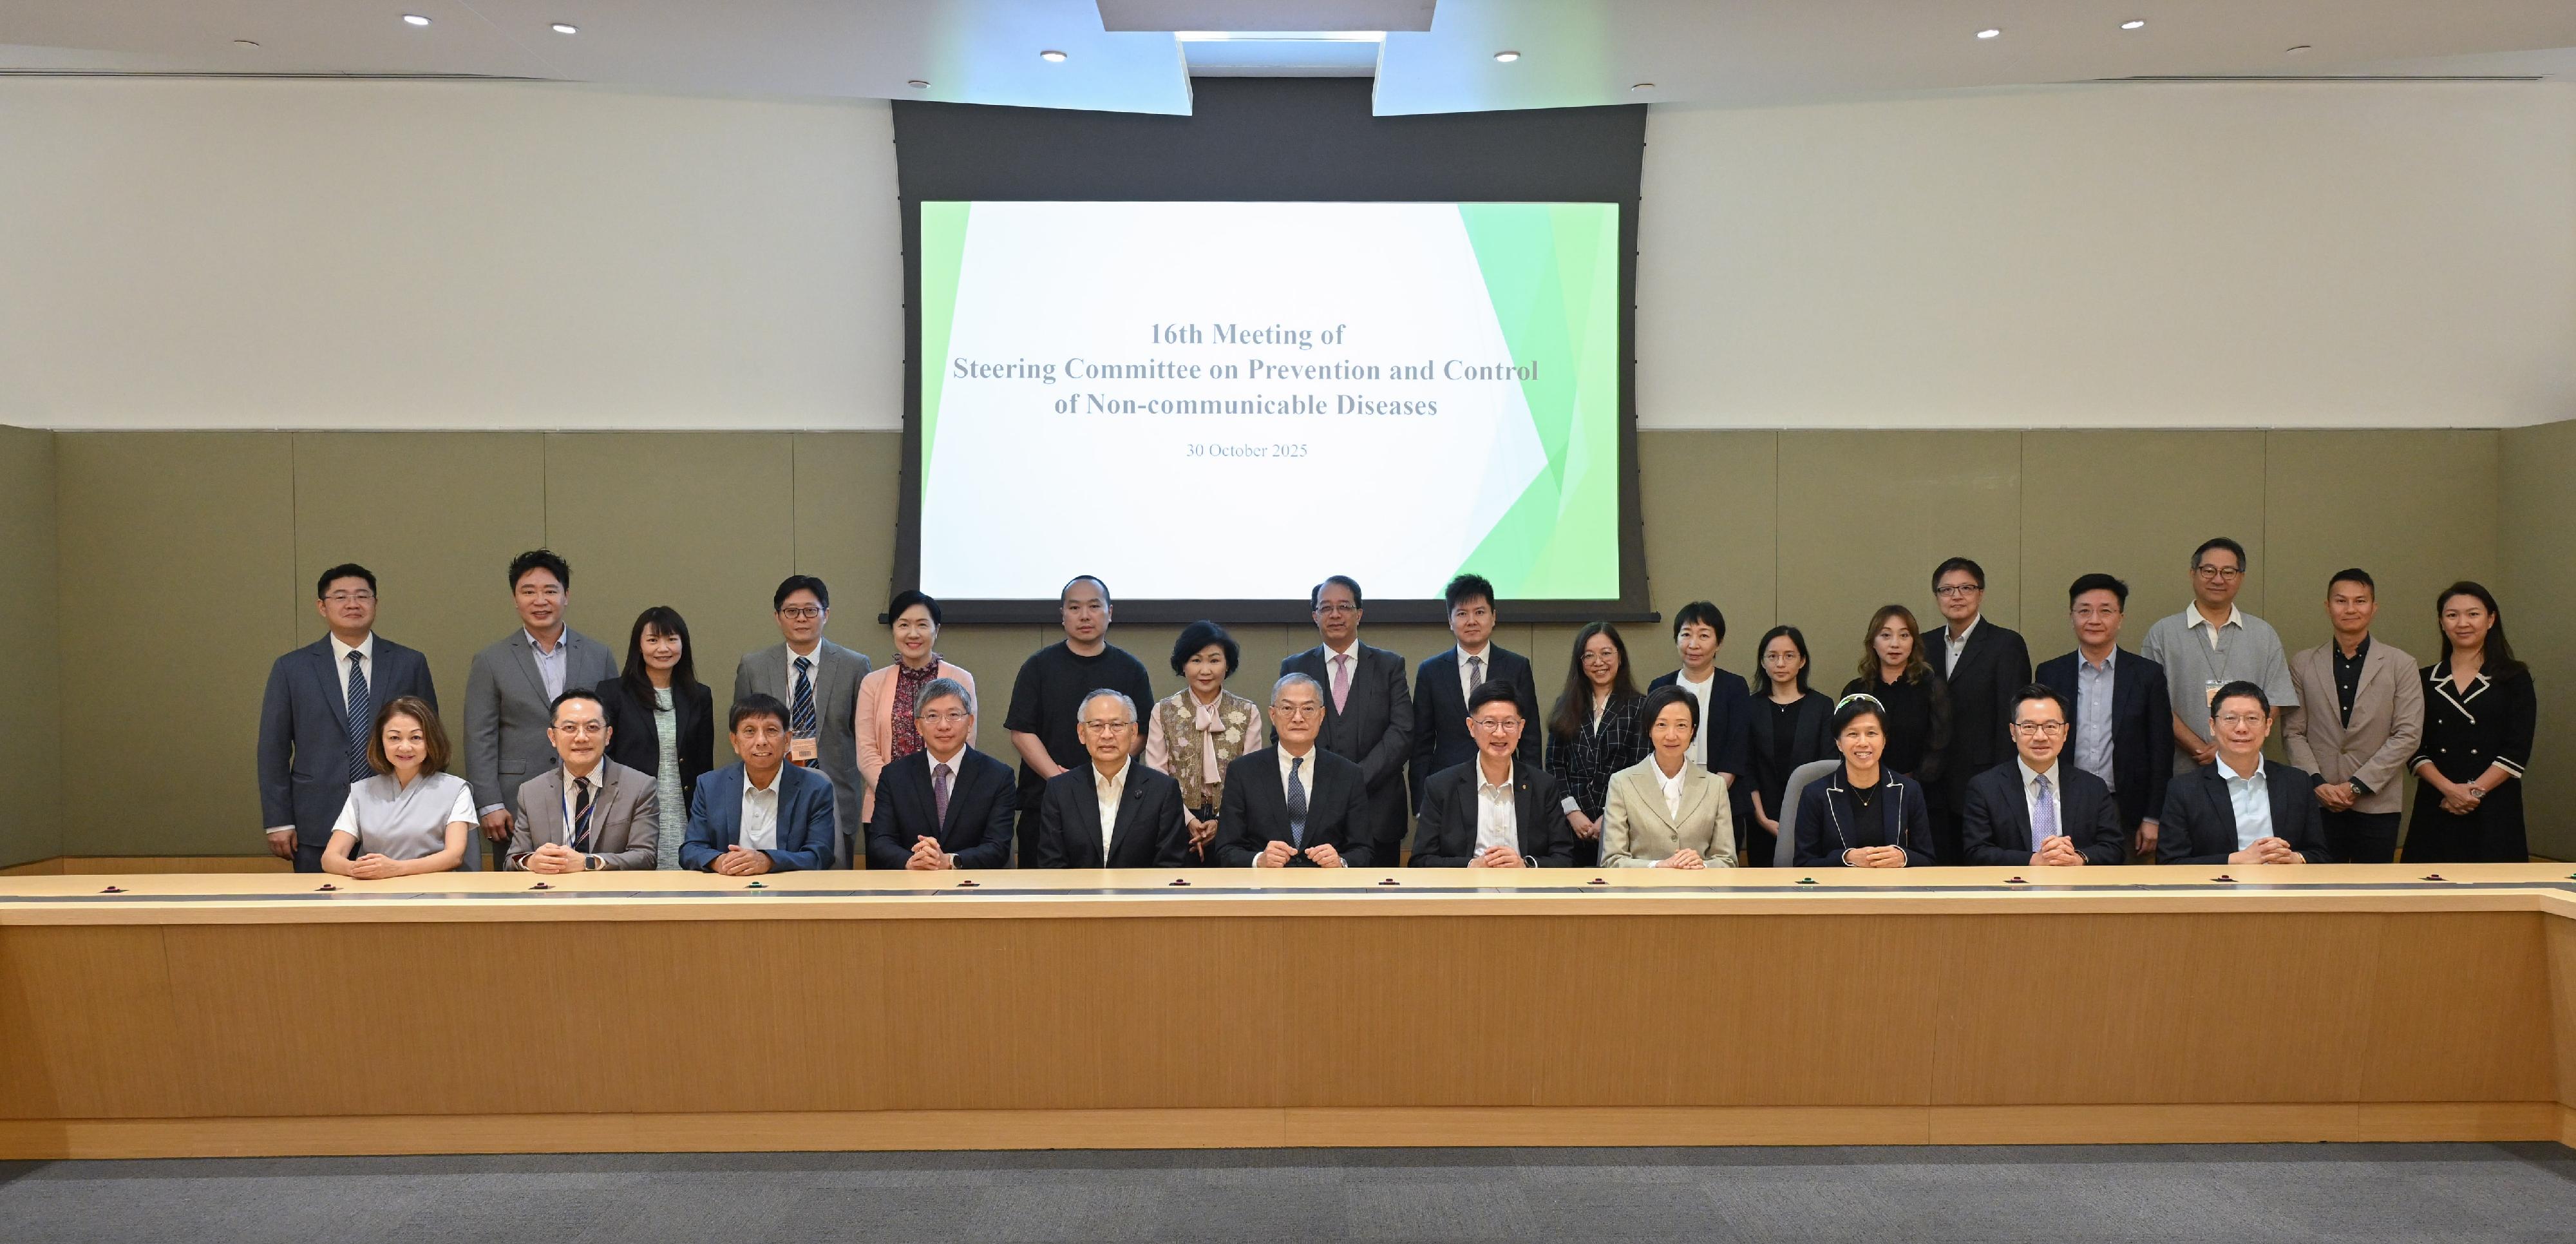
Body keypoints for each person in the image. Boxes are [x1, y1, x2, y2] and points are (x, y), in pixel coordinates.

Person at [257, 564, 439, 872]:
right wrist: (279, 820)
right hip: (316, 820)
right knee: (320, 912)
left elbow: (431, 742)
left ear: (375, 604)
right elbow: (272, 749)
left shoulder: (409, 663)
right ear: (322, 606)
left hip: (397, 819)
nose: (352, 604)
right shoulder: (292, 668)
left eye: (362, 596)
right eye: (340, 596)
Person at [464, 550, 618, 872]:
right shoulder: (491, 660)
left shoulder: (597, 654)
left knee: (590, 879)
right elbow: (480, 736)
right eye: (528, 591)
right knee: (522, 886)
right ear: (515, 599)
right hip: (515, 799)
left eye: (550, 590)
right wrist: (489, 803)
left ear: (566, 596)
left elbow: (610, 727)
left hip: (590, 792)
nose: (540, 600)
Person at [1005, 575, 1156, 866]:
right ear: (1062, 615)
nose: (1085, 615)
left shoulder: (1131, 669)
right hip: (1047, 801)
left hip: (1118, 799)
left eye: (1094, 606)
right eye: (1074, 608)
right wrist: (1061, 781)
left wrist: (1107, 771)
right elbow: (1022, 731)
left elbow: (1142, 732)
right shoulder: (1037, 667)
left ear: (1110, 613)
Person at [2282, 570, 2424, 865]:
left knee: (2373, 894)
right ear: (2327, 606)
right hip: (2318, 800)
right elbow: (2293, 731)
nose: (2350, 609)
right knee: (2316, 892)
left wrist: (2357, 785)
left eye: (2360, 601)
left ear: (2374, 607)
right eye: (2341, 601)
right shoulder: (2304, 662)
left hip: (2377, 801)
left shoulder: (2401, 664)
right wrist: (2318, 783)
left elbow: (2408, 734)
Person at [732, 575, 871, 868]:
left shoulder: (855, 665)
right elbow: (742, 728)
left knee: (835, 885)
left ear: (826, 614)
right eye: (791, 611)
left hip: (835, 793)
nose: (801, 619)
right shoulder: (754, 665)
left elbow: (863, 734)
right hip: (769, 792)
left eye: (811, 610)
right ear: (777, 617)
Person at [2036, 574, 2175, 862]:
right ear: (2071, 616)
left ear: (2121, 618)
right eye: (2084, 610)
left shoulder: (2147, 675)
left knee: (2122, 888)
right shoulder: (2051, 672)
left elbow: (2161, 750)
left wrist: (2153, 816)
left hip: (2126, 806)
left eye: (2106, 611)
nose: (2094, 619)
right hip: (2064, 798)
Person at [1281, 576, 1414, 867]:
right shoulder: (1295, 667)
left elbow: (1401, 733)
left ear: (1359, 614)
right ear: (1315, 616)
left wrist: (1352, 782)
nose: (1336, 614)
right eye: (1326, 608)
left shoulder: (1389, 665)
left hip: (1378, 811)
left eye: (1344, 606)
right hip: (1311, 811)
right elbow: (1285, 732)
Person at [2140, 538, 2298, 776]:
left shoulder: (2263, 634)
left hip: (2246, 769)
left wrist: (2229, 747)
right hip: (2180, 771)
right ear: (2193, 573)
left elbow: (2274, 700)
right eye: (2209, 571)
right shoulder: (2162, 633)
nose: (2218, 579)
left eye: (2228, 572)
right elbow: (2154, 704)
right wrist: (2200, 748)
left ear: (2241, 577)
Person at [2406, 582, 2537, 863]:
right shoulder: (2423, 679)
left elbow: (2517, 749)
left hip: (2495, 805)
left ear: (2491, 619)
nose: (2463, 623)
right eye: (2452, 615)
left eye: (2473, 614)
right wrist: (2450, 791)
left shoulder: (2514, 678)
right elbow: (2412, 744)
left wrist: (2473, 793)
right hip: (2437, 802)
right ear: (2441, 622)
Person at [1926, 558, 2031, 865]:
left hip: (1984, 778)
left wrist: (2004, 781)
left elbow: (2012, 718)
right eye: (1947, 590)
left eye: (1966, 588)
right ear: (1937, 597)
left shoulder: (2006, 644)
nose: (1956, 596)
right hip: (1933, 782)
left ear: (1981, 594)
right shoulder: (1924, 644)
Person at [2158, 681, 2330, 865]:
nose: (2241, 728)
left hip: (2284, 889)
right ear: (2213, 726)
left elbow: (2320, 855)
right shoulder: (2184, 789)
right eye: (2230, 718)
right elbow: (2170, 864)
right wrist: (2236, 860)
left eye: (2252, 719)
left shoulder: (2297, 782)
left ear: (2267, 726)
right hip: (2218, 891)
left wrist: (2295, 858)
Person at [596, 606, 714, 870]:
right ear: (638, 646)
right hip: (630, 810)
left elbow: (704, 763)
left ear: (683, 644)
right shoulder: (613, 693)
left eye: (671, 639)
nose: (663, 648)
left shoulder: (699, 695)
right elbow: (603, 760)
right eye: (653, 640)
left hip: (684, 810)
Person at [1410, 573, 1540, 811]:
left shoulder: (1517, 666)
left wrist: (1532, 795)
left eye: (1480, 612)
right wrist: (1421, 803)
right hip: (1448, 789)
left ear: (1494, 617)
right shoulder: (1431, 671)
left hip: (1507, 786)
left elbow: (1530, 738)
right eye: (1462, 613)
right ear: (1450, 621)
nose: (1472, 621)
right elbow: (1421, 744)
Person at [1412, 682, 1578, 867]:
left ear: (1521, 727)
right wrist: (1472, 866)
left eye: (1509, 723)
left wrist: (1525, 866)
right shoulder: (1441, 786)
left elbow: (1564, 858)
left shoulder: (1543, 786)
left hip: (1526, 892)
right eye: (1489, 723)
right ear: (1472, 727)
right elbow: (1421, 861)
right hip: (1465, 892)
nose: (1500, 733)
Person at [1217, 675, 1373, 868]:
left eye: (1308, 709)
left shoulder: (1348, 774)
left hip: (1326, 889)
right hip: (1265, 890)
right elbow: (1226, 850)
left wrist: (1340, 862)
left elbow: (1364, 851)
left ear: (1322, 715)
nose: (1298, 718)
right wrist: (1259, 860)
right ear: (1273, 715)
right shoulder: (1243, 772)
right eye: (1288, 708)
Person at [1958, 685, 2124, 866]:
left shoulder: (2093, 787)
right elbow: (1976, 852)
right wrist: (2034, 860)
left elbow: (2114, 848)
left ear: (2065, 732)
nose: (2040, 736)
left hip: (2077, 888)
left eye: (2050, 727)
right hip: (2011, 889)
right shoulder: (1985, 788)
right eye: (2029, 727)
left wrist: (2077, 858)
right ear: (2013, 732)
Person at [1143, 621, 1264, 863]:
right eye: (1196, 660)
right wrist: (1188, 821)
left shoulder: (1247, 711)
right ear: (1183, 665)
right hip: (1174, 818)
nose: (1205, 670)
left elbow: (1251, 777)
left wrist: (1220, 822)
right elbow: (1157, 774)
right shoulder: (1164, 711)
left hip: (1234, 820)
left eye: (1214, 660)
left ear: (1227, 664)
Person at [866, 678, 1017, 870]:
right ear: (919, 726)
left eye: (953, 715)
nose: (944, 726)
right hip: (911, 887)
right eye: (932, 716)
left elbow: (997, 846)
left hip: (973, 888)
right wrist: (912, 861)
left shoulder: (998, 777)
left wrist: (949, 861)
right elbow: (880, 841)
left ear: (970, 722)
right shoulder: (894, 776)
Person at [855, 589, 974, 829]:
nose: (913, 634)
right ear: (893, 630)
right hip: (886, 807)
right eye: (903, 625)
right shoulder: (873, 683)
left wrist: (929, 798)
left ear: (936, 630)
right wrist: (898, 794)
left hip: (945, 805)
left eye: (922, 625)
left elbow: (966, 742)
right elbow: (866, 751)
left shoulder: (961, 678)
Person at [681, 694, 837, 874]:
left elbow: (820, 854)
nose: (761, 741)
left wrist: (769, 861)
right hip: (728, 890)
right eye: (749, 731)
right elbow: (691, 849)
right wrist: (719, 861)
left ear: (787, 740)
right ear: (735, 741)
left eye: (771, 730)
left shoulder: (816, 788)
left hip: (791, 892)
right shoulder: (710, 786)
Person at [321, 696, 474, 879]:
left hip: (433, 892)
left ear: (431, 741)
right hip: (373, 893)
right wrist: (360, 870)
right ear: (381, 741)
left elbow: (454, 856)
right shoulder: (362, 791)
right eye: (394, 738)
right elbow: (330, 858)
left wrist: (397, 869)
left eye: (416, 737)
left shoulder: (456, 789)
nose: (405, 747)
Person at [506, 689, 658, 872]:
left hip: (613, 895)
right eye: (569, 728)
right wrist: (530, 862)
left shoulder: (639, 787)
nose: (581, 737)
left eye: (592, 728)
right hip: (552, 894)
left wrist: (588, 862)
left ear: (608, 735)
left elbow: (646, 857)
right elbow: (513, 859)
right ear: (553, 737)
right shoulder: (531, 791)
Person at [1037, 689, 1192, 868]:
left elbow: (1170, 864)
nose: (1107, 735)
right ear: (1081, 733)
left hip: (1141, 894)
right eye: (1096, 726)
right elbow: (1051, 863)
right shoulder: (1060, 790)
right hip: (1078, 895)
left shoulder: (1162, 790)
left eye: (1117, 725)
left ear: (1133, 732)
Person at [1544, 622, 1649, 868]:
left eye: (1606, 653)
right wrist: (1572, 812)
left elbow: (1640, 767)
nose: (1598, 662)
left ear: (1620, 656)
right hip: (1569, 823)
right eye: (1589, 655)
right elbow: (1554, 765)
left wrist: (1609, 815)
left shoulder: (1640, 706)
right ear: (1580, 662)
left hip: (1621, 823)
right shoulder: (1565, 704)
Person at [1600, 685, 1736, 868]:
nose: (1671, 736)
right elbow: (1612, 861)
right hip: (1641, 892)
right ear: (1649, 729)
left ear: (1692, 731)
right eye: (1662, 725)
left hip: (1698, 892)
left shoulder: (1715, 786)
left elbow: (1727, 861)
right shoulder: (1622, 783)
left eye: (1681, 725)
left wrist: (1702, 865)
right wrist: (1657, 866)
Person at [1792, 694, 1936, 868]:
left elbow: (1928, 859)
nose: (1863, 742)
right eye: (1853, 734)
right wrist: (1846, 858)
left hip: (1895, 889)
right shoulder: (1815, 794)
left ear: (1884, 740)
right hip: (1837, 891)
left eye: (1871, 733)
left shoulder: (1909, 790)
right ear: (1839, 743)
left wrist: (1903, 858)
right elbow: (1803, 863)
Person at [1744, 624, 1833, 868]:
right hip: (1762, 819)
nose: (1780, 663)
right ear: (1763, 662)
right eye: (1772, 656)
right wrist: (1761, 818)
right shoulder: (1751, 707)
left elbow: (1827, 766)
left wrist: (1805, 819)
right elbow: (1748, 766)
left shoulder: (1822, 706)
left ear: (1802, 661)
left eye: (1789, 656)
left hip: (1812, 818)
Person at [1645, 602, 1753, 794]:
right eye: (1686, 634)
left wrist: (1714, 794)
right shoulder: (1659, 686)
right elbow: (1651, 743)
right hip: (1667, 792)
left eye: (1704, 635)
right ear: (1676, 640)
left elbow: (1737, 747)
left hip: (1722, 792)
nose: (1693, 644)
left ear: (1718, 643)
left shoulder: (1734, 687)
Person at [1840, 605, 1951, 787]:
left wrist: (1908, 783)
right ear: (1873, 642)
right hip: (1865, 789)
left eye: (1904, 635)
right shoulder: (1856, 691)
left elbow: (1940, 745)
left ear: (1914, 642)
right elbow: (1846, 743)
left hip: (1921, 791)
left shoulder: (1931, 687)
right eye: (1886, 635)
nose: (1895, 644)